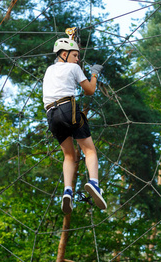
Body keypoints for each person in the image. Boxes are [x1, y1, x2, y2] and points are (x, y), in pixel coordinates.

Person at [43, 37, 107, 214]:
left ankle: (67, 192)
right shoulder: (73, 67)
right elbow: (90, 91)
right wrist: (93, 74)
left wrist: (72, 39)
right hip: (67, 109)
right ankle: (94, 183)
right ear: (64, 54)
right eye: (75, 55)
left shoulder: (49, 70)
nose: (78, 59)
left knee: (69, 156)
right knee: (90, 150)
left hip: (51, 115)